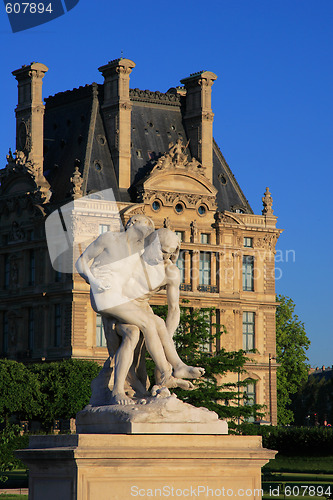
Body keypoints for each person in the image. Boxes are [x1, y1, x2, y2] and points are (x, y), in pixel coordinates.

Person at [76, 217, 204, 405]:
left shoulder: (165, 268)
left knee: (150, 326)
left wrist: (164, 341)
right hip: (113, 304)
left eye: (169, 254)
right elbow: (84, 263)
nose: (164, 257)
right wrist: (94, 281)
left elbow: (174, 309)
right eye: (162, 251)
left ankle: (173, 368)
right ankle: (165, 375)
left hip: (130, 307)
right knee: (148, 324)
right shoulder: (128, 247)